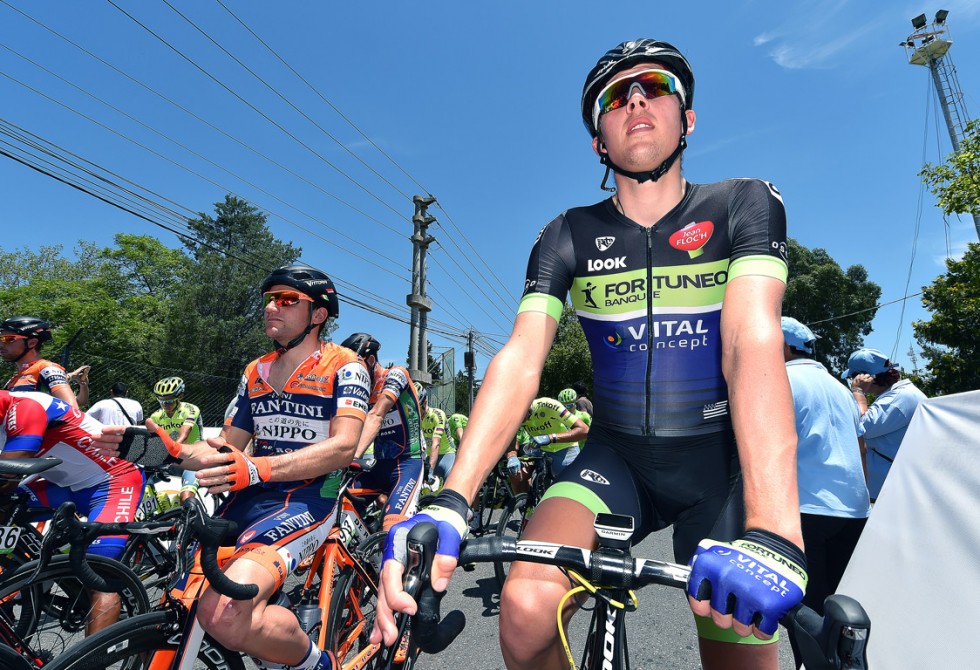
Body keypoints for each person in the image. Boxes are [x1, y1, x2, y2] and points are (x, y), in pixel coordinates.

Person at [373, 39, 805, 670]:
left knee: (739, 653)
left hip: (720, 469)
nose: (636, 100)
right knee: (524, 609)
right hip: (615, 460)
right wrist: (454, 498)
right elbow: (522, 357)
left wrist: (774, 530)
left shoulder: (744, 202)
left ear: (687, 118)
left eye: (655, 86)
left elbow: (750, 341)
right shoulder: (566, 233)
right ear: (599, 140)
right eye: (616, 96)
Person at [96, 264, 368, 670]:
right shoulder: (254, 371)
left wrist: (258, 468)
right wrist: (164, 452)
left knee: (224, 614)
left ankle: (316, 664)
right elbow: (225, 449)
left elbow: (344, 447)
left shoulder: (345, 365)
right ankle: (272, 634)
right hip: (251, 496)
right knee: (186, 599)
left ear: (319, 314)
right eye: (270, 299)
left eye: (287, 300)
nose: (272, 307)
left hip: (310, 496)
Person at [0, 389, 144, 634]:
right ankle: (49, 565)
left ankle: (94, 653)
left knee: (99, 579)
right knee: (8, 505)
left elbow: (7, 476)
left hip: (113, 481)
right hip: (65, 485)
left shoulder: (25, 408)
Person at [781, 318, 870, 668]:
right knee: (840, 611)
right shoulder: (840, 389)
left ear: (782, 346)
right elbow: (861, 447)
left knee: (806, 612)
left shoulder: (781, 380)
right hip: (854, 510)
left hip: (808, 507)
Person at [340, 333, 424, 531]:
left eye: (357, 367)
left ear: (371, 360)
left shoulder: (396, 374)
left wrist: (351, 457)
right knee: (338, 508)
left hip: (407, 463)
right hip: (379, 465)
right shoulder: (360, 389)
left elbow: (376, 415)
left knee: (393, 531)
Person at [843, 347, 927, 502]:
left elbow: (859, 428)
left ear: (867, 378)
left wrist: (858, 391)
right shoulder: (895, 396)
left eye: (853, 378)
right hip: (891, 488)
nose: (852, 382)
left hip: (894, 492)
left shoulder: (899, 398)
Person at [1, 316, 80, 409]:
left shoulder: (47, 369)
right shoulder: (13, 379)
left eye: (7, 339)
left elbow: (72, 410)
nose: (1, 345)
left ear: (32, 343)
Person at [148, 376, 204, 503]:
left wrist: (171, 451)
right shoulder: (156, 416)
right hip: (171, 460)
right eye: (161, 401)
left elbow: (183, 435)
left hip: (192, 459)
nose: (164, 405)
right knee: (140, 479)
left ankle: (189, 514)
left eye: (169, 401)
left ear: (180, 396)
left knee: (185, 497)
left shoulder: (191, 409)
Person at [517, 396, 589, 478]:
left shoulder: (548, 405)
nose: (518, 420)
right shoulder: (512, 415)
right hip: (544, 453)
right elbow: (512, 439)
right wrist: (511, 456)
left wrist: (550, 437)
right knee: (520, 475)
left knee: (571, 481)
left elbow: (584, 430)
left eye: (520, 415)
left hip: (568, 450)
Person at [419, 386, 453, 485]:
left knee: (451, 486)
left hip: (447, 455)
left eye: (418, 407)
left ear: (425, 403)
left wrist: (430, 470)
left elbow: (436, 443)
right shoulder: (415, 417)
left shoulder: (437, 415)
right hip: (428, 456)